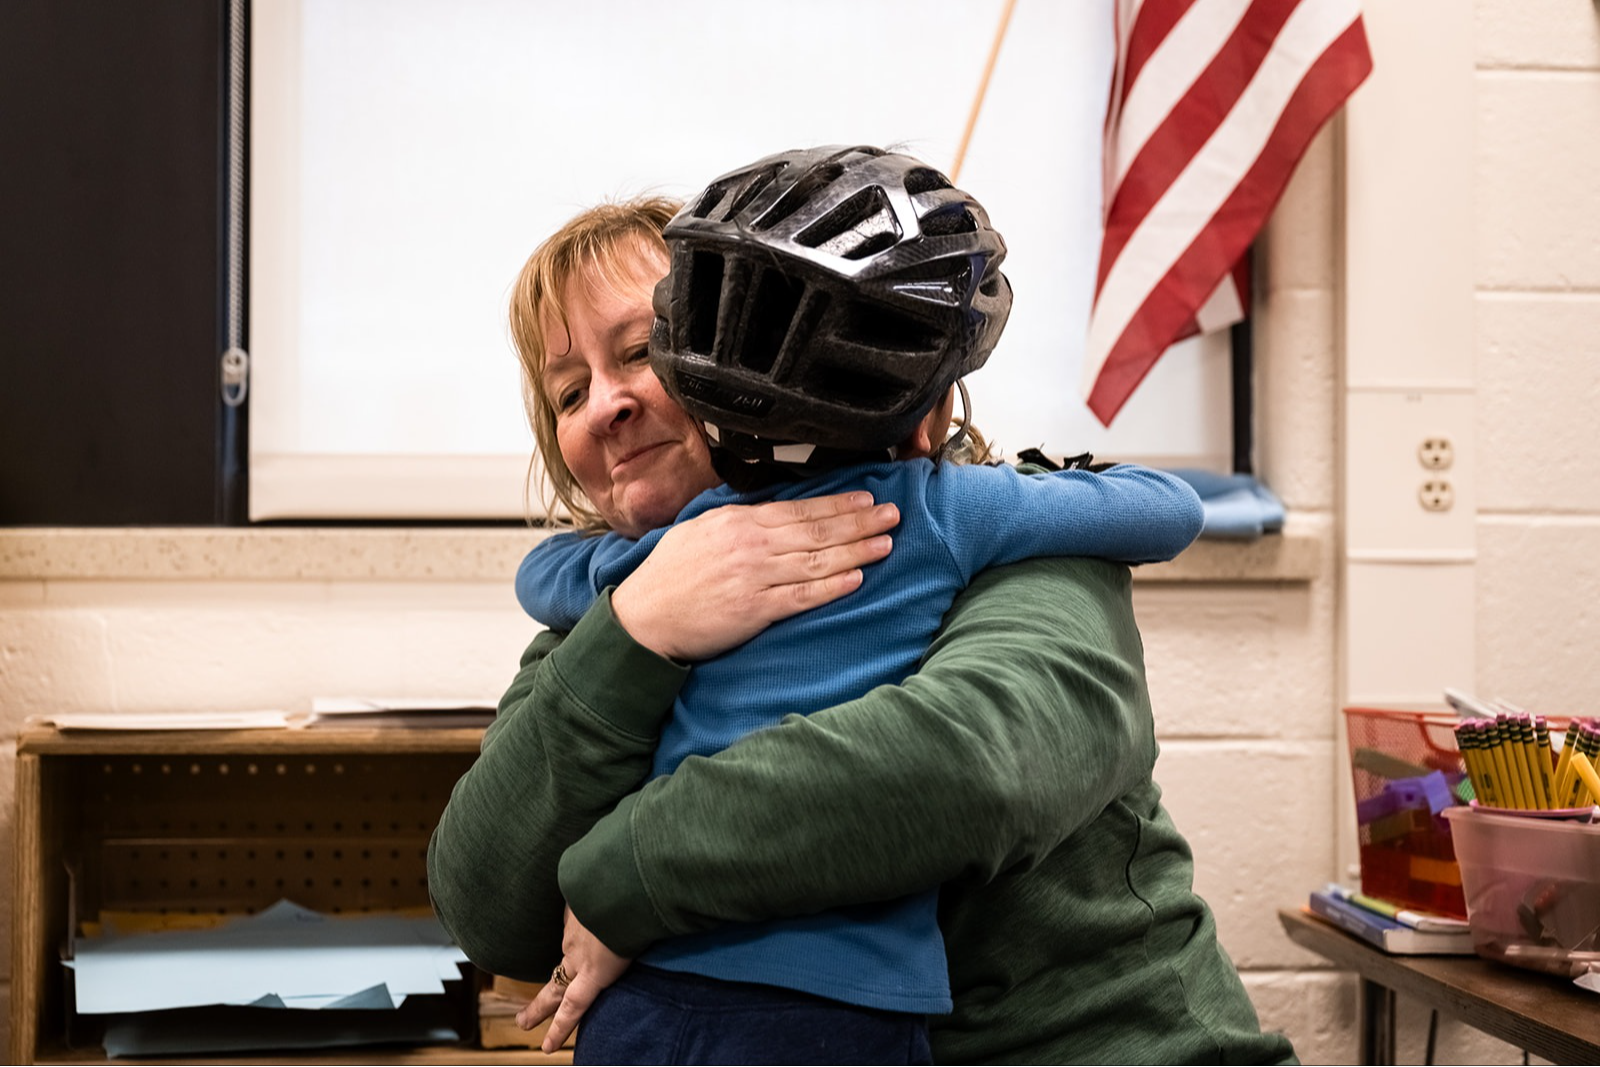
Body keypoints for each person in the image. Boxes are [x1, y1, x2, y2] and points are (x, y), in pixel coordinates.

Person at [427, 168, 1297, 1064]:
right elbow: (490, 903)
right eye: (569, 393)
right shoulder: (616, 597)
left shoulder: (994, 535)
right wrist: (640, 624)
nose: (604, 406)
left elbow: (967, 769)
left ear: (752, 344)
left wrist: (627, 871)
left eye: (643, 350)